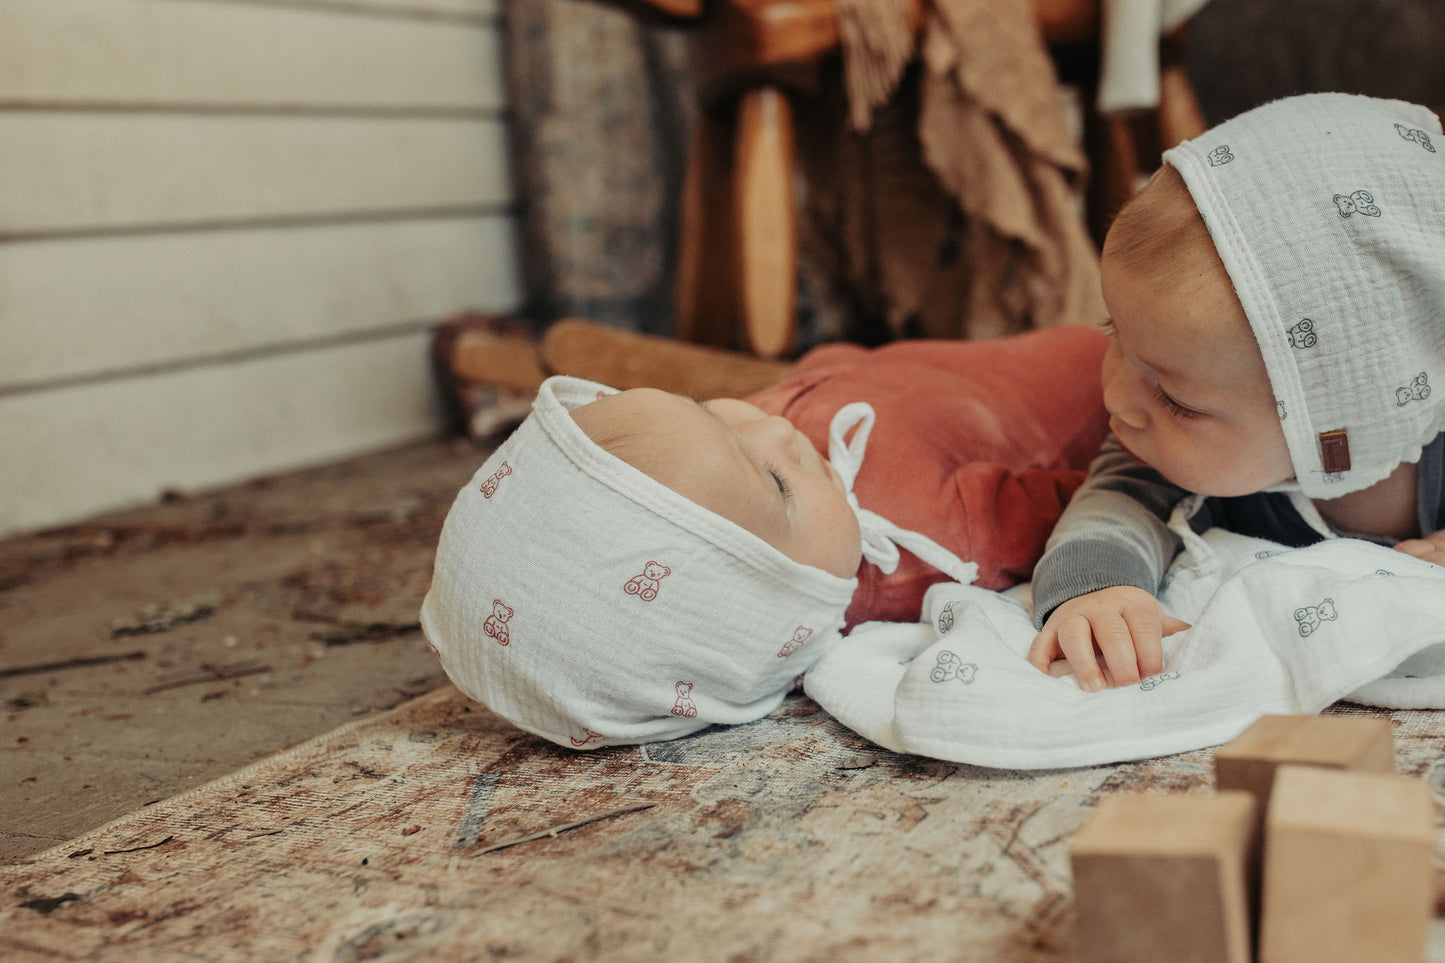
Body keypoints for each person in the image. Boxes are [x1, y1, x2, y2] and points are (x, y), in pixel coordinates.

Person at [421, 327, 1109, 749]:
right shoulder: (925, 546)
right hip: (1071, 378)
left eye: (705, 414)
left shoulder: (763, 446)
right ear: (776, 608)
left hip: (898, 368)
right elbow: (1080, 497)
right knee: (1085, 353)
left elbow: (784, 403)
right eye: (778, 484)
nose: (772, 428)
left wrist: (830, 368)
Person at [1027, 92, 1445, 693]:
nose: (1117, 397)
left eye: (1175, 398)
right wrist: (1097, 591)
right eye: (1114, 332)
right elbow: (1113, 508)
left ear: (1336, 420)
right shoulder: (1167, 457)